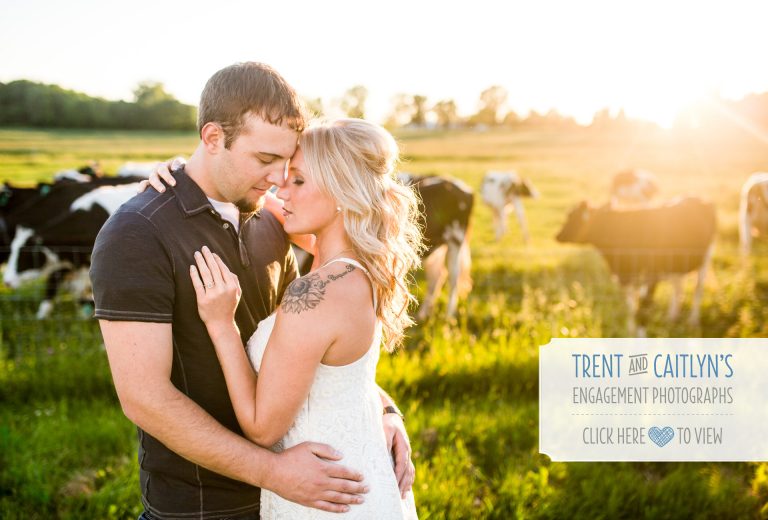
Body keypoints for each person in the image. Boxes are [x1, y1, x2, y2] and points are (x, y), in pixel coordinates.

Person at [90, 62, 413, 520]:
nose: (279, 178)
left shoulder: (271, 221)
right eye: (265, 160)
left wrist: (383, 409)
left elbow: (313, 348)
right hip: (204, 505)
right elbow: (145, 398)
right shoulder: (137, 233)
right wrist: (275, 472)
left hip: (304, 493)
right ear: (213, 138)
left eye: (289, 163)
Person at [184, 118, 422, 518]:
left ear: (340, 191)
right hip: (362, 480)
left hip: (321, 495)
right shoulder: (363, 265)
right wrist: (184, 173)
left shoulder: (315, 295)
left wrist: (221, 324)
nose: (281, 191)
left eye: (297, 181)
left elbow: (262, 428)